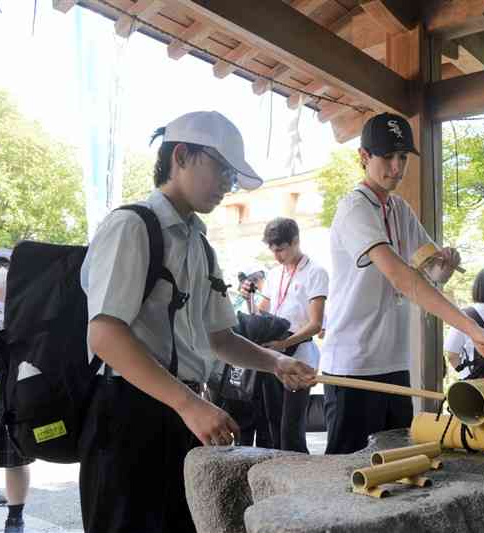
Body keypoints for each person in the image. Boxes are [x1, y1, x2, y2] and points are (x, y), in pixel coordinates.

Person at [79, 111, 315, 533]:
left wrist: (276, 364)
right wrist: (189, 404)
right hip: (129, 412)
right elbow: (104, 333)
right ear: (182, 156)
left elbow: (218, 337)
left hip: (183, 413)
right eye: (222, 169)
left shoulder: (200, 246)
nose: (229, 184)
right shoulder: (131, 226)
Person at [321, 112, 484, 454]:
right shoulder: (354, 209)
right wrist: (472, 329)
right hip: (354, 365)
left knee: (395, 463)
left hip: (394, 361)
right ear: (364, 157)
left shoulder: (400, 210)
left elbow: (428, 275)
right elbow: (399, 275)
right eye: (387, 157)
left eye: (403, 157)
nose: (396, 167)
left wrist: (446, 265)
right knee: (349, 473)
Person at [256, 217, 328, 453]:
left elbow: (315, 324)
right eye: (273, 250)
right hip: (272, 355)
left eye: (281, 250)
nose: (277, 256)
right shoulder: (274, 273)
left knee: (291, 429)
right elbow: (261, 313)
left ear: (296, 241)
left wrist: (284, 343)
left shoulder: (315, 272)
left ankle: (299, 481)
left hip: (300, 355)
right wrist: (248, 296)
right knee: (272, 424)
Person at [0, 249, 32, 533]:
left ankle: (15, 518)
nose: (0, 271)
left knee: (16, 455)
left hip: (10, 387)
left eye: (5, 266)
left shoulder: (23, 300)